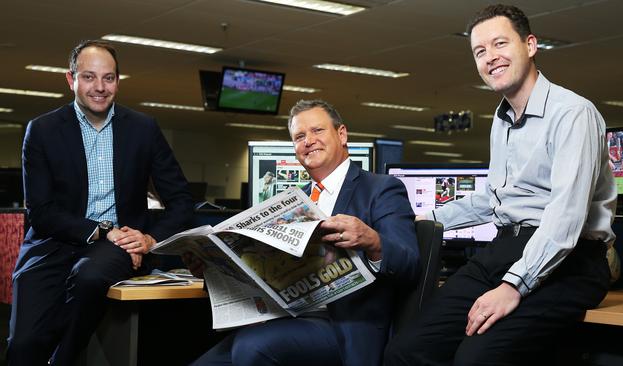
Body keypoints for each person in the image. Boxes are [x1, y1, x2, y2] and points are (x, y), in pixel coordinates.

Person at [384, 4, 616, 366]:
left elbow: (565, 219)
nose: (490, 57)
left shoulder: (573, 114)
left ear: (531, 45)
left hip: (570, 260)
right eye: (480, 51)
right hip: (505, 249)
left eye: (499, 44)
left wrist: (512, 287)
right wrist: (420, 219)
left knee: (476, 358)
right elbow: (493, 199)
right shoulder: (502, 119)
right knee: (406, 351)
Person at [190, 99, 419, 366]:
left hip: (344, 325)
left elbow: (410, 262)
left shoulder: (381, 189)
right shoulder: (289, 201)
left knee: (252, 347)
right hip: (286, 317)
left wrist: (373, 241)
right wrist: (212, 267)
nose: (308, 141)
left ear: (342, 135)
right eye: (299, 136)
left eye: (317, 131)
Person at [8, 40, 194, 365]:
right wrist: (100, 230)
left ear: (118, 82)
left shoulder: (143, 129)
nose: (99, 87)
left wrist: (150, 239)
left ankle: (61, 360)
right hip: (53, 243)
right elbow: (41, 211)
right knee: (24, 343)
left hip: (116, 246)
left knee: (90, 277)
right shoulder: (42, 130)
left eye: (108, 78)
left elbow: (181, 200)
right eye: (89, 77)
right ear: (71, 80)